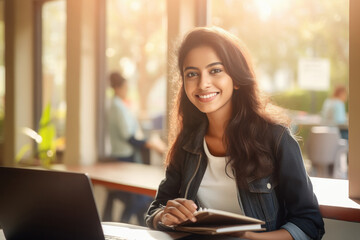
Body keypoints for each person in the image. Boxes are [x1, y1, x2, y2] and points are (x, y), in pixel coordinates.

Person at [145, 27, 325, 240]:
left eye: (215, 71)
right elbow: (155, 210)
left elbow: (309, 224)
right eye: (192, 74)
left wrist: (249, 237)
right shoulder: (187, 142)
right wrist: (164, 216)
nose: (203, 84)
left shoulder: (276, 139)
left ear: (237, 79)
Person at [104, 72, 166, 225]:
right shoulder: (117, 107)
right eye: (125, 88)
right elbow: (129, 137)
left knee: (138, 199)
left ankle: (140, 225)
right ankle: (123, 222)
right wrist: (150, 143)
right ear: (118, 88)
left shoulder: (119, 105)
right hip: (125, 157)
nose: (127, 91)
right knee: (139, 199)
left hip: (127, 156)